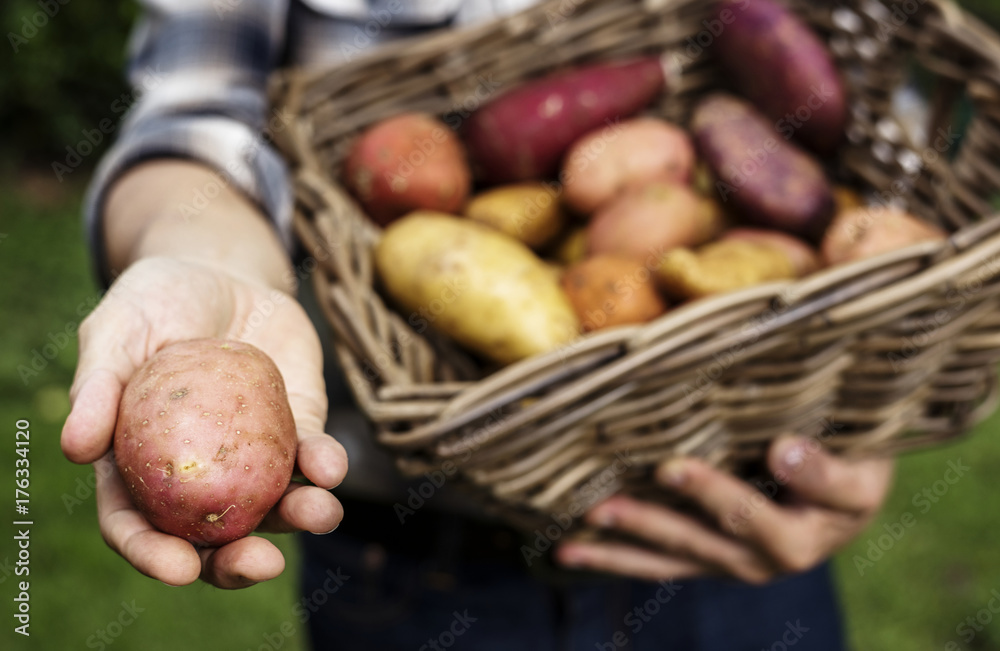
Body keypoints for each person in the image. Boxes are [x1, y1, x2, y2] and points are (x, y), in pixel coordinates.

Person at [62, 1, 895, 648]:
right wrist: (207, 257)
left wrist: (869, 416)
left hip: (731, 533)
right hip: (412, 563)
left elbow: (865, 124)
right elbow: (193, 123)